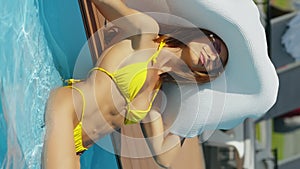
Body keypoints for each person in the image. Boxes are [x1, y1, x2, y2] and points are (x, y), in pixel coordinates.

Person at [42, 0, 228, 168]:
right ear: (202, 34)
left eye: (217, 63)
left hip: (78, 147)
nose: (212, 57)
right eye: (215, 47)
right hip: (69, 108)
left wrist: (193, 122)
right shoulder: (147, 33)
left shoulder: (156, 97)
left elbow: (164, 158)